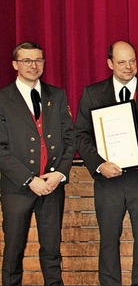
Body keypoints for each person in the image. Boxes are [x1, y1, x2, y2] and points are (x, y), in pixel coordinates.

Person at [75, 40, 138, 285]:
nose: (128, 67)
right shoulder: (93, 93)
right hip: (108, 180)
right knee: (108, 240)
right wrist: (99, 164)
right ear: (109, 64)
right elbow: (80, 135)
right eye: (122, 62)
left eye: (132, 61)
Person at [0, 42, 75, 286]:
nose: (33, 65)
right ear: (15, 65)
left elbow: (69, 139)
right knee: (13, 251)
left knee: (52, 252)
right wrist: (29, 180)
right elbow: (1, 149)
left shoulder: (57, 94)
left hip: (53, 186)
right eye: (27, 60)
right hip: (17, 189)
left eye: (38, 60)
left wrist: (60, 173)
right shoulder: (2, 99)